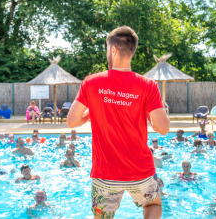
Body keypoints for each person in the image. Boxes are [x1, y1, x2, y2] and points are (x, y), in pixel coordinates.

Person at [67, 26, 170, 218]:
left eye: (107, 49)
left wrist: (94, 110)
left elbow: (72, 122)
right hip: (140, 171)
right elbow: (163, 128)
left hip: (105, 173)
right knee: (153, 205)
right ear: (132, 51)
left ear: (113, 50)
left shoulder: (91, 82)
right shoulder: (148, 85)